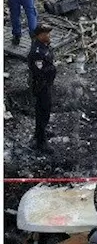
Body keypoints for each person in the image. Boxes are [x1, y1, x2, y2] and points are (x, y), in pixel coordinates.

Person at [28, 24, 55, 152]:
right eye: (46, 34)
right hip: (41, 86)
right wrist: (53, 69)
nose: (49, 36)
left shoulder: (44, 47)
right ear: (39, 36)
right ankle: (41, 141)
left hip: (46, 84)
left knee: (46, 109)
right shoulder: (37, 53)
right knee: (42, 110)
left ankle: (41, 131)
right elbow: (40, 71)